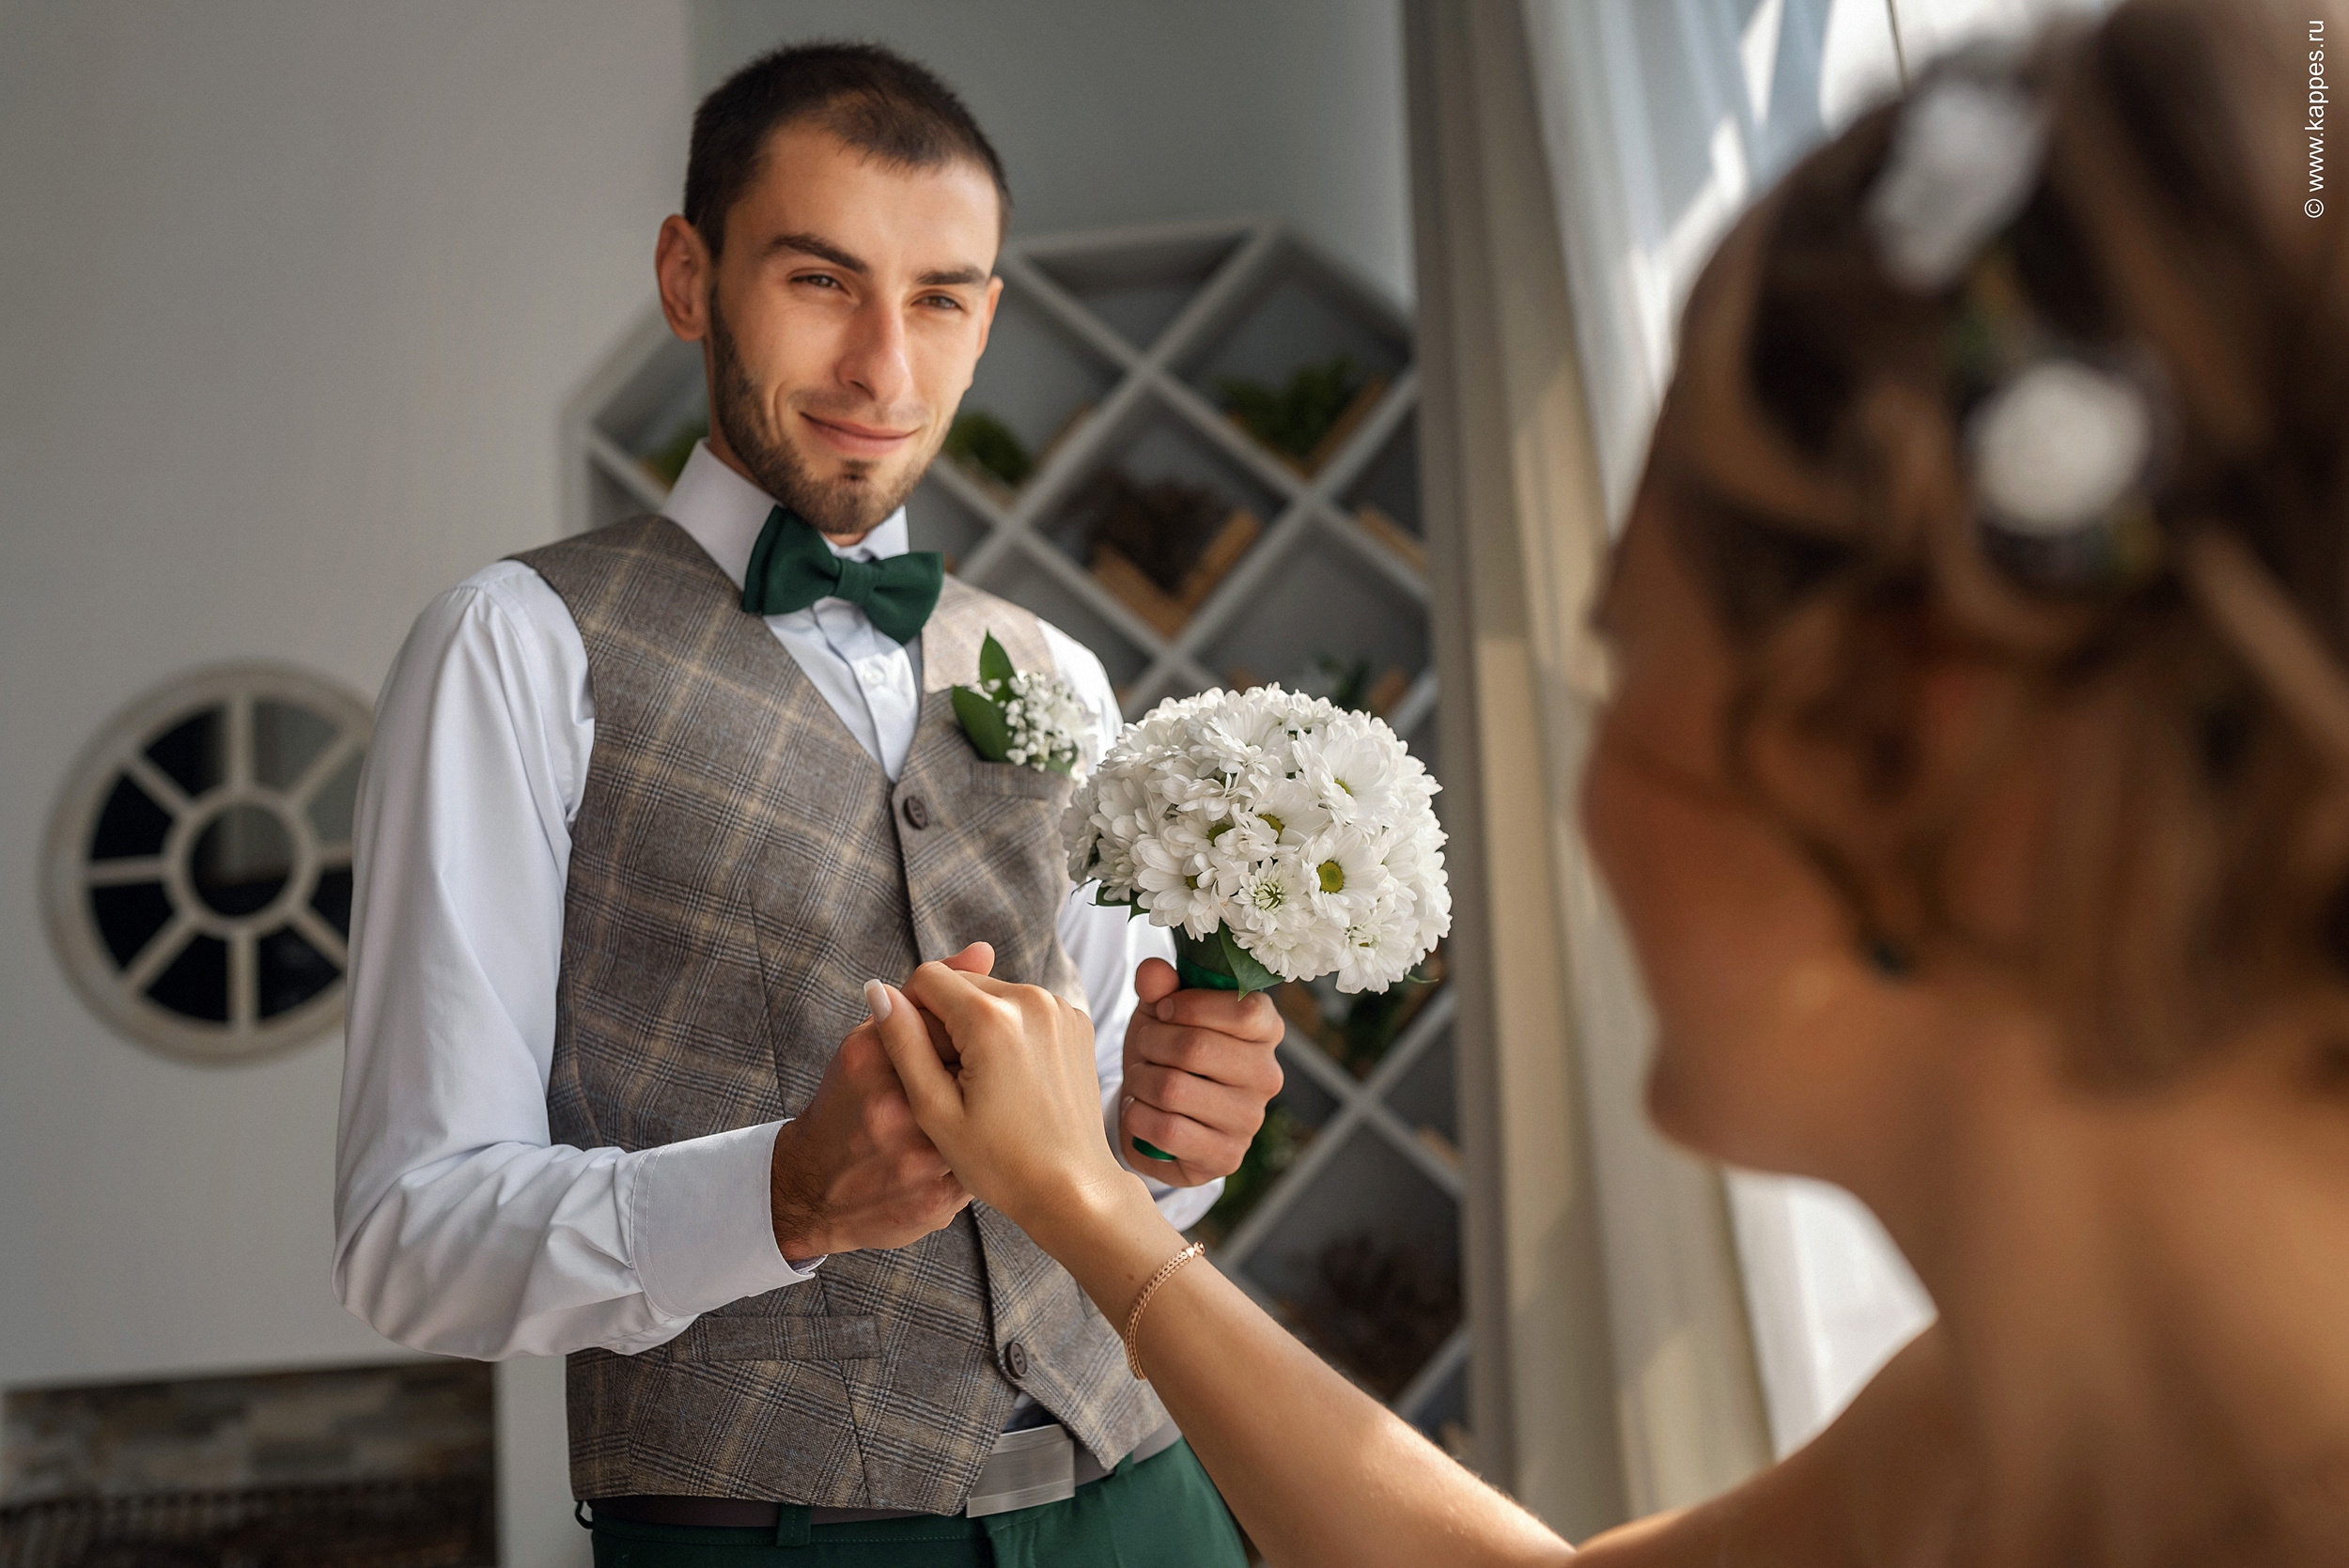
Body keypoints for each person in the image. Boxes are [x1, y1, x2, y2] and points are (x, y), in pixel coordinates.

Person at [863, 2, 2349, 1563]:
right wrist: (1085, 1204)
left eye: (1627, 661)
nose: (1585, 803)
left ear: (1916, 742)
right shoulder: (2032, 1412)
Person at [332, 42, 1282, 1565]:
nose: (883, 370)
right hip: (778, 1538)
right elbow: (410, 1237)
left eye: (941, 298)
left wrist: (1181, 1132)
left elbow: (1122, 1188)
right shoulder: (516, 646)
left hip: (1149, 1501)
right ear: (689, 276)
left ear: (987, 323)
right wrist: (783, 1194)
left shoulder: (1063, 675)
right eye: (822, 280)